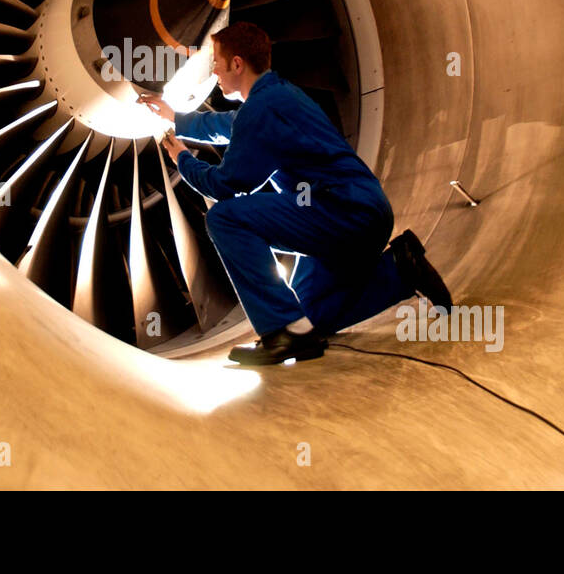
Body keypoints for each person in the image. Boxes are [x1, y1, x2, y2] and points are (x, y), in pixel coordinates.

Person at [138, 21, 451, 365]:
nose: (215, 74)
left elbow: (226, 186)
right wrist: (175, 117)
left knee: (225, 219)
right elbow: (230, 125)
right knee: (313, 317)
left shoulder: (263, 109)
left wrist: (182, 159)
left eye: (216, 64)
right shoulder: (277, 96)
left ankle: (282, 332)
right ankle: (402, 270)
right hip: (354, 212)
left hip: (343, 212)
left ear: (237, 64)